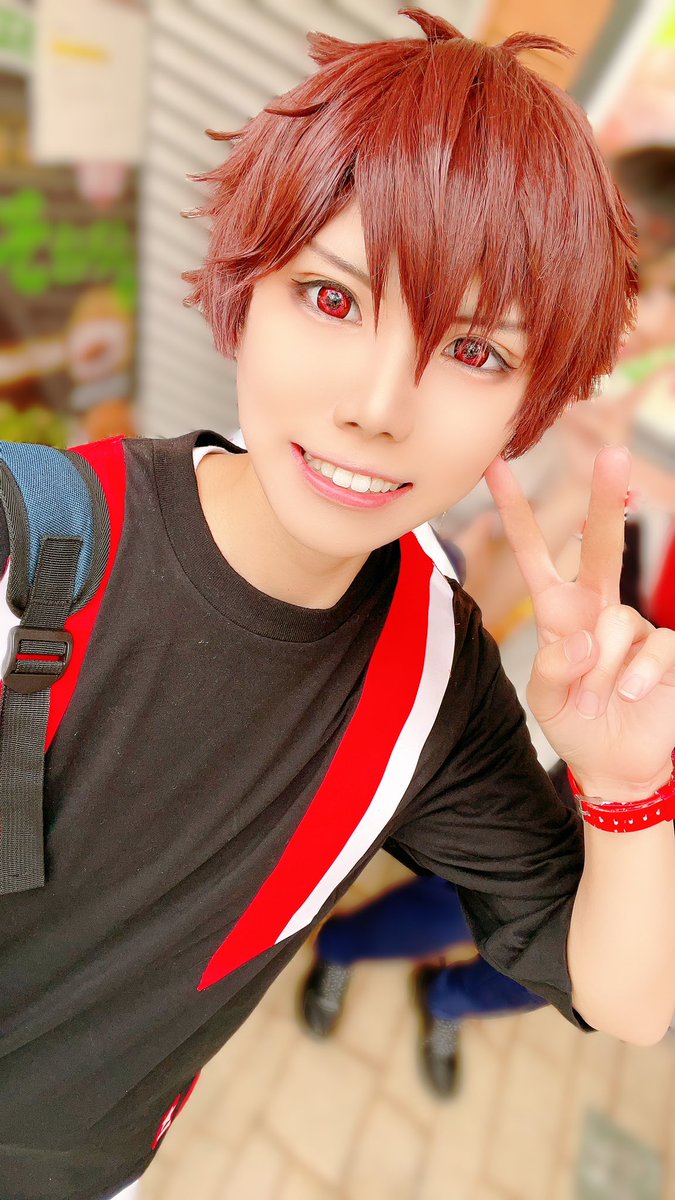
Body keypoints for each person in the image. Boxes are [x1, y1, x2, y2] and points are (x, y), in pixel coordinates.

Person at [1, 10, 675, 1200]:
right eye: (332, 297)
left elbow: (627, 1002)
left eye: (474, 351)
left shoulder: (431, 679)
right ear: (247, 285)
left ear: (527, 408)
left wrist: (628, 788)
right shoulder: (37, 539)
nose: (378, 404)